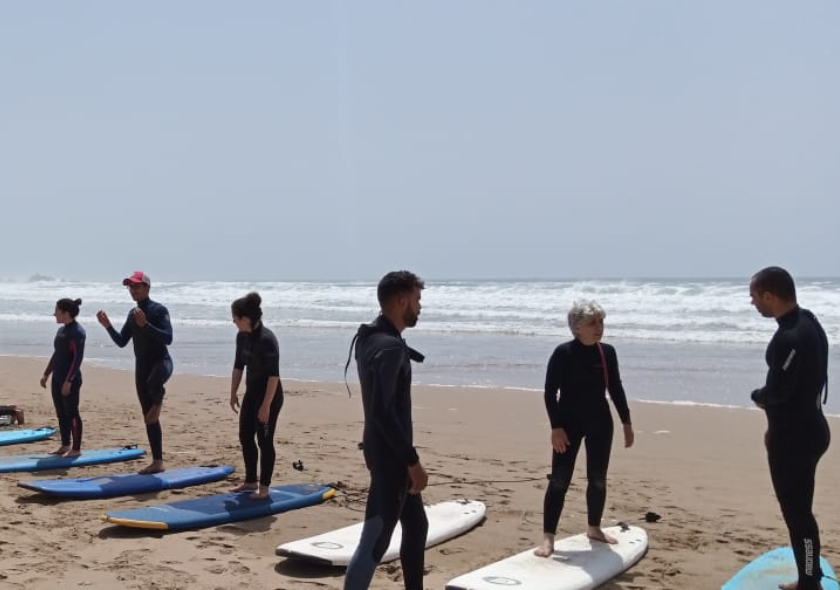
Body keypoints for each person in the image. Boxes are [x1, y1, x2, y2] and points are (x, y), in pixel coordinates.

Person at [344, 270, 429, 590]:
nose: (420, 307)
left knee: (417, 525)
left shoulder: (369, 337)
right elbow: (383, 412)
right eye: (417, 300)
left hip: (379, 448)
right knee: (374, 543)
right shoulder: (390, 348)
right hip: (393, 457)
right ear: (401, 301)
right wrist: (412, 462)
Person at [749, 266, 830, 590]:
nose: (752, 303)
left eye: (754, 297)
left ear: (769, 295)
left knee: (798, 514)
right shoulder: (809, 320)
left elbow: (779, 393)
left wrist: (757, 396)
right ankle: (809, 578)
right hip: (812, 427)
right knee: (800, 511)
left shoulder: (788, 338)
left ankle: (810, 583)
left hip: (795, 439)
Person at [536, 299, 634, 557]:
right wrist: (555, 427)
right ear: (577, 327)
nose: (599, 327)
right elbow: (549, 393)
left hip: (600, 421)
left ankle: (594, 528)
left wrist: (626, 421)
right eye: (593, 323)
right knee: (559, 480)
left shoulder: (607, 352)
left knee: (598, 479)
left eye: (601, 321)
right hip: (567, 424)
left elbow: (615, 388)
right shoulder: (563, 353)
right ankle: (548, 538)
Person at [96, 271, 173, 474]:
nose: (133, 290)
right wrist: (108, 326)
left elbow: (168, 338)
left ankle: (159, 399)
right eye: (131, 287)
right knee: (148, 417)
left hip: (161, 363)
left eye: (137, 286)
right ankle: (158, 462)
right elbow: (122, 342)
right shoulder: (133, 314)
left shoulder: (158, 310)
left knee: (153, 385)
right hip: (142, 367)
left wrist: (146, 325)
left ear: (147, 288)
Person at [229, 292, 284, 500]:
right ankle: (250, 480)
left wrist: (266, 406)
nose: (233, 322)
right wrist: (233, 392)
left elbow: (274, 376)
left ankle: (264, 487)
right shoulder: (241, 337)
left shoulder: (267, 340)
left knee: (265, 441)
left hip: (269, 397)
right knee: (245, 436)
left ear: (244, 319)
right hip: (251, 394)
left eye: (235, 319)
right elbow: (238, 366)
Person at [39, 298, 86, 456]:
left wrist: (69, 380)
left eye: (57, 311)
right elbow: (57, 355)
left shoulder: (77, 332)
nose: (54, 314)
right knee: (61, 412)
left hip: (69, 380)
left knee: (71, 412)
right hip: (57, 378)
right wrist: (46, 374)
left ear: (66, 313)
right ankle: (65, 445)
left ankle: (76, 449)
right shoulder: (62, 330)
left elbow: (77, 358)